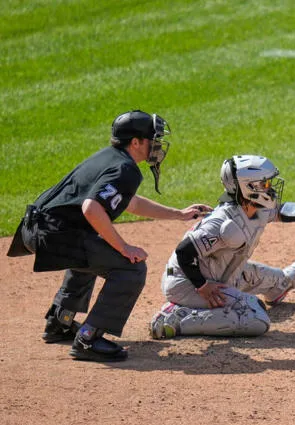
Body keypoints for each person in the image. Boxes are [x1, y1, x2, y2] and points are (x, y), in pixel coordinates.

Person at [6, 110, 212, 362]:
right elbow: (91, 208)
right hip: (53, 235)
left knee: (91, 251)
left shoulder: (111, 158)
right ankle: (88, 339)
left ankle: (60, 321)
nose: (157, 145)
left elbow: (130, 203)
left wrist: (179, 214)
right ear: (135, 142)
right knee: (130, 268)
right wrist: (125, 248)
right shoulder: (125, 169)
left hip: (36, 228)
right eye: (152, 139)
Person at [148, 154, 295, 339]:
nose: (271, 188)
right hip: (188, 283)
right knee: (256, 317)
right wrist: (202, 286)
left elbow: (280, 210)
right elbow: (184, 252)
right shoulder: (223, 223)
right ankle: (177, 317)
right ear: (248, 186)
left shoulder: (255, 206)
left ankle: (278, 286)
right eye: (265, 184)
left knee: (277, 281)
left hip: (221, 273)